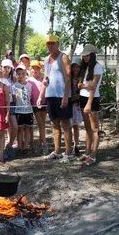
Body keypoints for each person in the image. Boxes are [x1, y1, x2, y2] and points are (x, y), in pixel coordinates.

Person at [37, 35, 73, 164]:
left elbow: (68, 77)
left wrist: (65, 96)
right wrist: (41, 95)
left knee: (66, 124)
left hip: (62, 96)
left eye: (52, 43)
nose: (50, 46)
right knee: (54, 124)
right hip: (50, 96)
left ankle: (68, 153)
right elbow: (46, 79)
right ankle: (57, 151)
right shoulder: (47, 60)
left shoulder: (63, 57)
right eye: (48, 44)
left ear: (58, 44)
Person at [77, 44, 103, 166]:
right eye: (84, 56)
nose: (85, 58)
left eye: (87, 55)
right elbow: (80, 85)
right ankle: (87, 151)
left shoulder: (97, 67)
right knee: (87, 128)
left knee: (94, 129)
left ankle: (94, 154)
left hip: (91, 100)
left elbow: (93, 86)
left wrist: (89, 102)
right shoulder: (85, 67)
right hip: (83, 98)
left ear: (92, 55)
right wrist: (83, 86)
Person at [28, 60, 47, 155]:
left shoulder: (43, 79)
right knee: (40, 124)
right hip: (35, 105)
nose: (34, 70)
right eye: (33, 68)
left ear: (40, 69)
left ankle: (41, 143)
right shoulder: (28, 80)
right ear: (30, 69)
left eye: (36, 68)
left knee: (42, 124)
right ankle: (44, 144)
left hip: (44, 103)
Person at [14, 65, 33, 156]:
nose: (21, 75)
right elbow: (14, 99)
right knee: (20, 129)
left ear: (26, 73)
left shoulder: (30, 85)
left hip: (28, 110)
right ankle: (20, 147)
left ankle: (26, 147)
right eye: (19, 74)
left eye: (22, 73)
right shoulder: (15, 86)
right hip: (19, 111)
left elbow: (31, 97)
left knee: (27, 129)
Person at [0, 59, 18, 159]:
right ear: (1, 67)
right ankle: (1, 152)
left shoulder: (13, 80)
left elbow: (15, 94)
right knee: (2, 129)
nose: (6, 69)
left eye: (8, 67)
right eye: (4, 67)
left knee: (15, 127)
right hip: (1, 105)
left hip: (11, 104)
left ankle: (9, 146)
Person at [70, 57, 83, 156]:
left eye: (77, 67)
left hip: (77, 105)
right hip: (69, 104)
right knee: (68, 125)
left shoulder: (81, 79)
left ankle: (76, 145)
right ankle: (69, 145)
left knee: (75, 126)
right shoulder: (68, 79)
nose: (75, 69)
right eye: (74, 67)